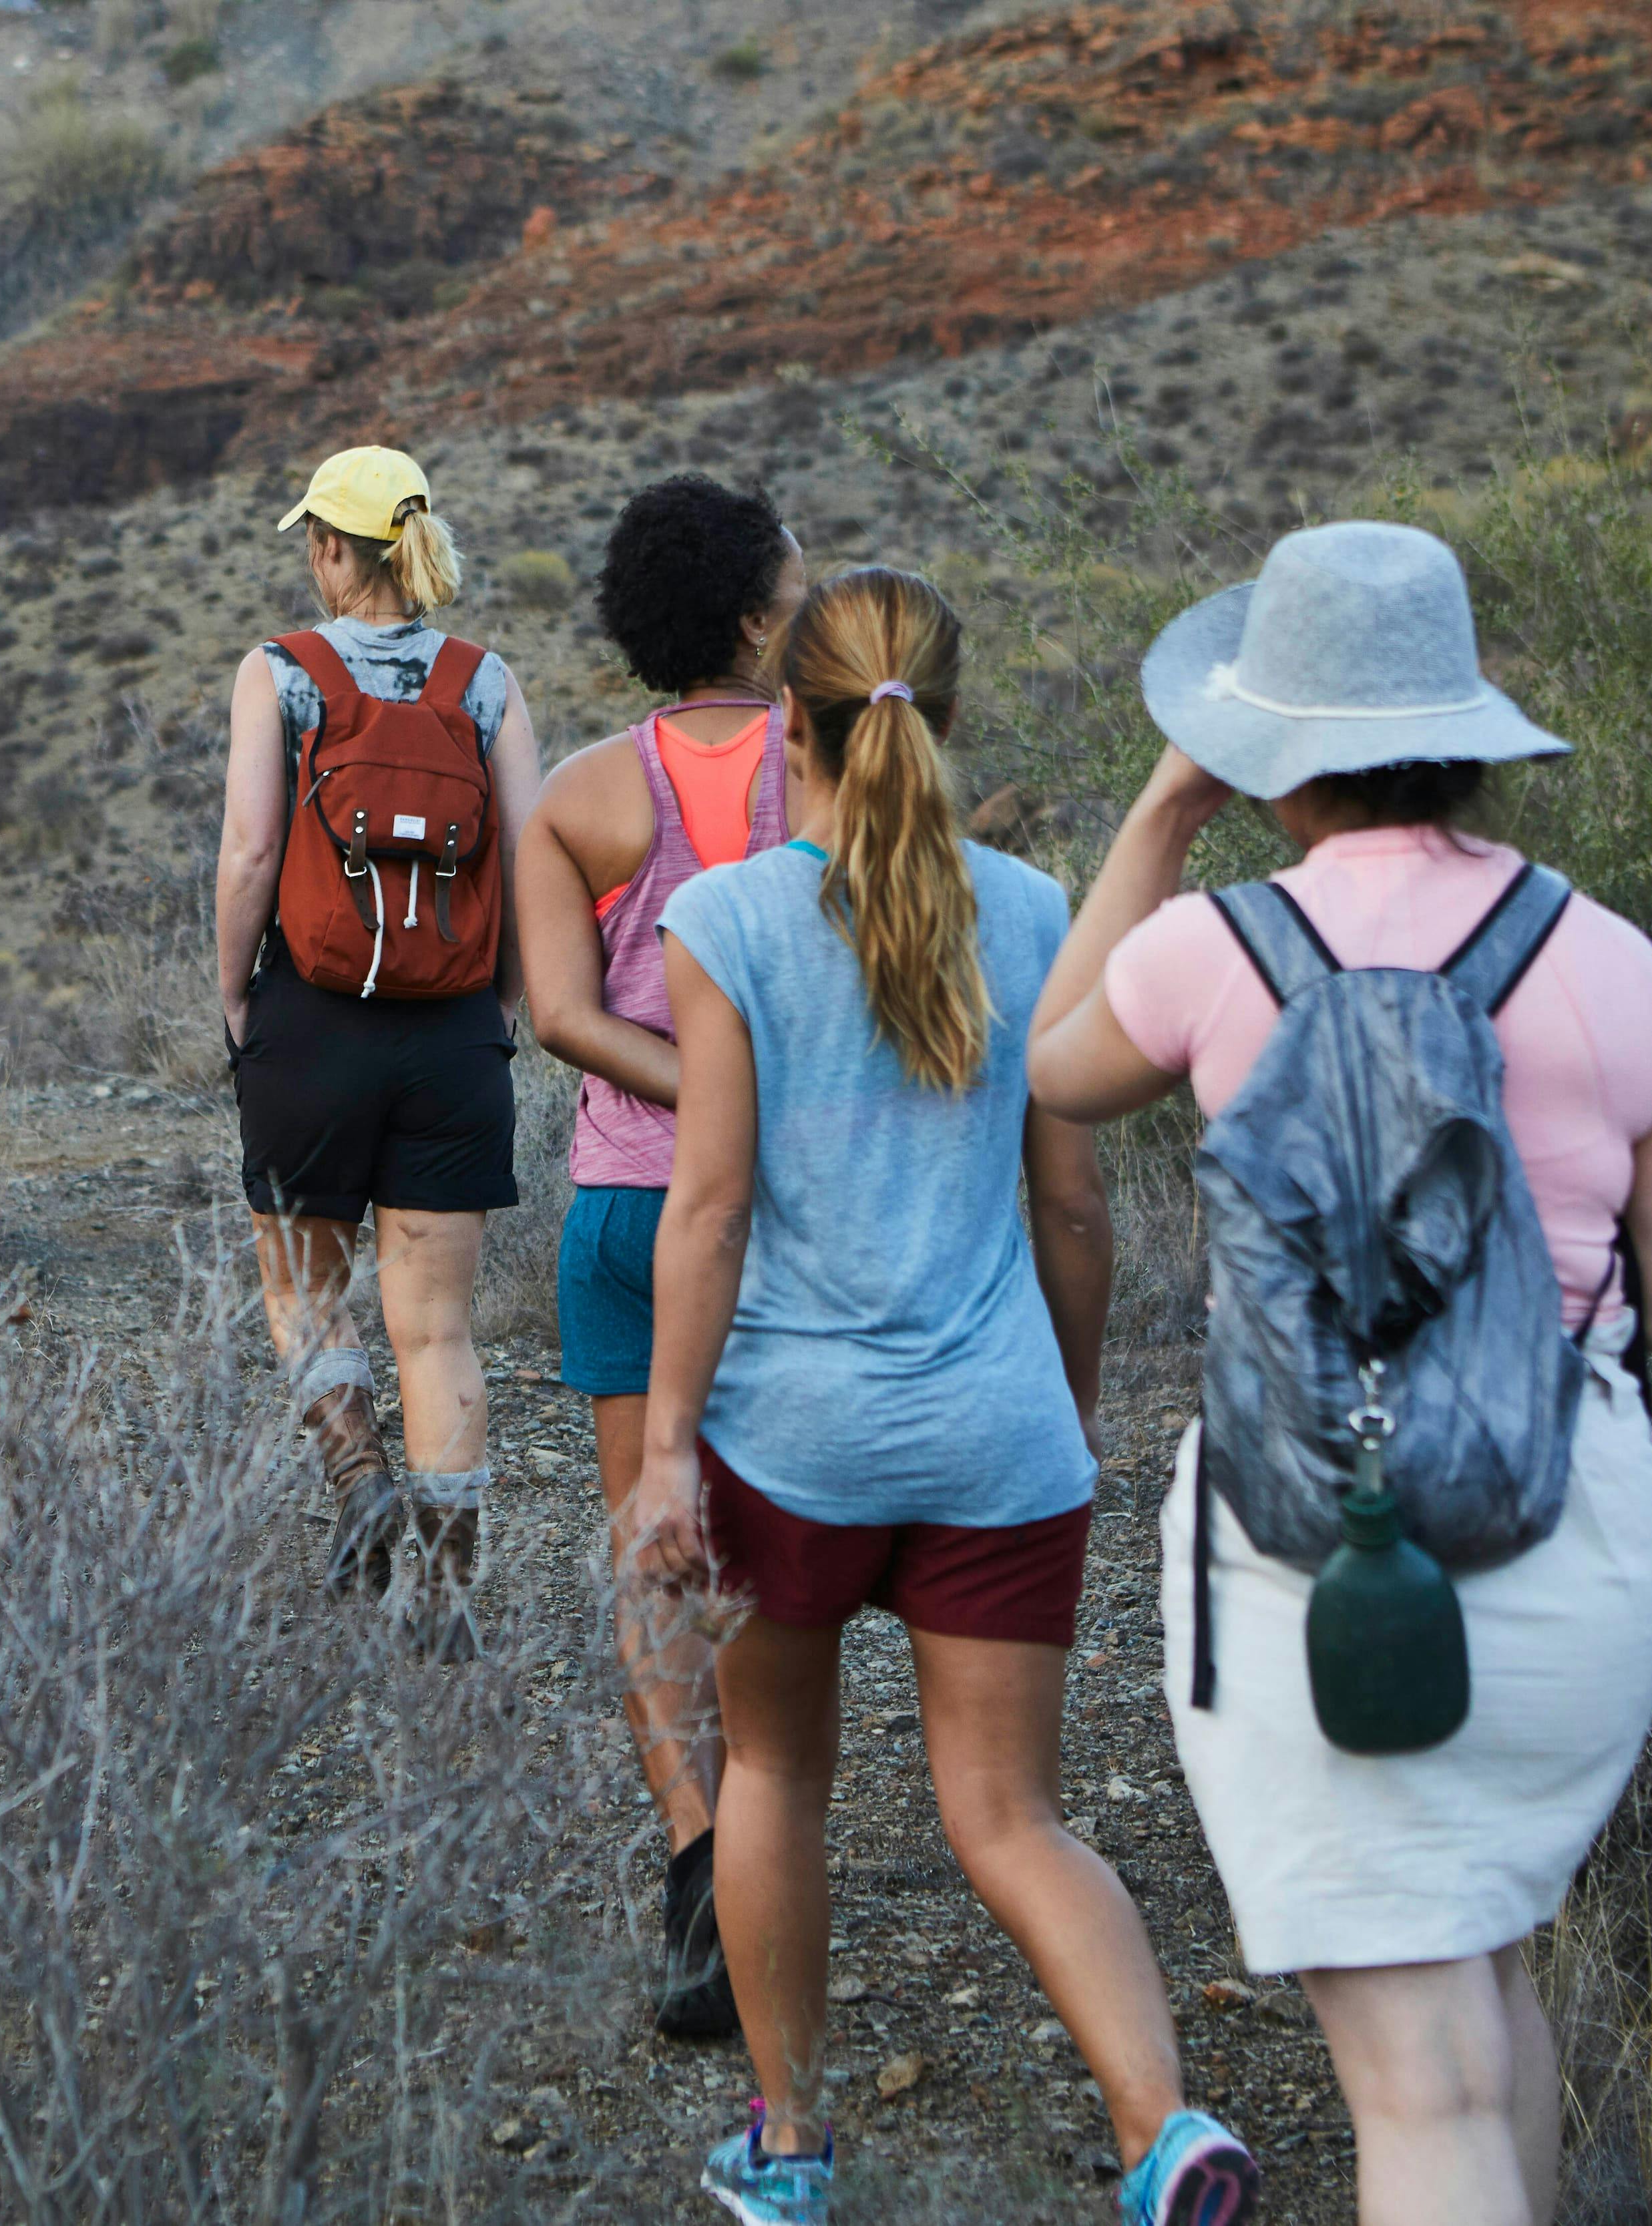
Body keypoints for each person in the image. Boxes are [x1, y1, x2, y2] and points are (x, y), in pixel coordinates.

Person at [1026, 521, 1652, 2226]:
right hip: (1567, 1534)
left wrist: (1160, 813)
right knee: (1485, 2004)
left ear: (1274, 748)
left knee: (1417, 2084)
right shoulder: (1616, 955)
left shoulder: (1220, 947)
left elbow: (1051, 1066)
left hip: (1314, 1553)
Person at [623, 566, 1257, 2226]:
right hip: (995, 1436)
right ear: (950, 723)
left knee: (773, 1779)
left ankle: (791, 2146)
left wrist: (668, 1447)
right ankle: (1163, 2131)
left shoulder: (729, 920)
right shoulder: (1041, 912)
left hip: (793, 1444)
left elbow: (707, 1207)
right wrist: (1056, 1406)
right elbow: (1074, 1203)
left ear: (790, 731)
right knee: (1012, 1815)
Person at [515, 473, 804, 2040]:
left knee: (650, 1542)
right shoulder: (831, 772)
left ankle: (695, 1856)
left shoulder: (576, 794)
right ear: (755, 616)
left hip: (623, 1210)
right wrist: (749, 1091)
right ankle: (768, 1845)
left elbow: (557, 1016)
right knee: (766, 1548)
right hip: (774, 1217)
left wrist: (675, 1082)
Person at [216, 445, 545, 1662]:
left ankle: (356, 1469)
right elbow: (532, 855)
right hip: (453, 1037)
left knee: (303, 1287)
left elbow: (251, 856)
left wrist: (236, 998)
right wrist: (500, 1007)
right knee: (439, 1330)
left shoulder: (281, 673)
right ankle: (450, 1603)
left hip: (312, 1020)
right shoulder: (484, 681)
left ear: (332, 550)